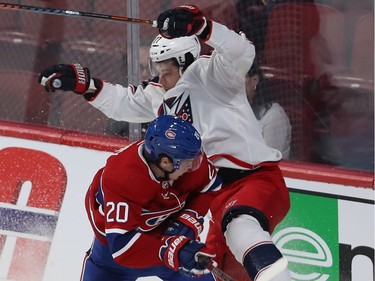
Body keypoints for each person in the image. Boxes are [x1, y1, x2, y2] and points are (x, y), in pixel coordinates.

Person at [39, 4, 291, 280]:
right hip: (208, 193)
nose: (160, 77)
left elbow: (242, 50)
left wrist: (202, 27)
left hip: (247, 179)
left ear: (184, 62)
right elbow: (124, 102)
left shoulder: (216, 75)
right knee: (223, 273)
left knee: (241, 227)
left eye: (166, 70)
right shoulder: (164, 95)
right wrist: (83, 85)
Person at [80, 115, 222, 281]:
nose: (193, 167)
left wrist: (186, 223)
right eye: (188, 162)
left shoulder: (185, 159)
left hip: (170, 242)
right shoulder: (123, 178)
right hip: (115, 260)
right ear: (165, 162)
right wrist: (171, 252)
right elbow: (122, 246)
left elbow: (211, 187)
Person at [245, 63, 292, 159]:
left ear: (254, 80)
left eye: (237, 77)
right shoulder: (231, 111)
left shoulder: (273, 115)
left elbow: (267, 161)